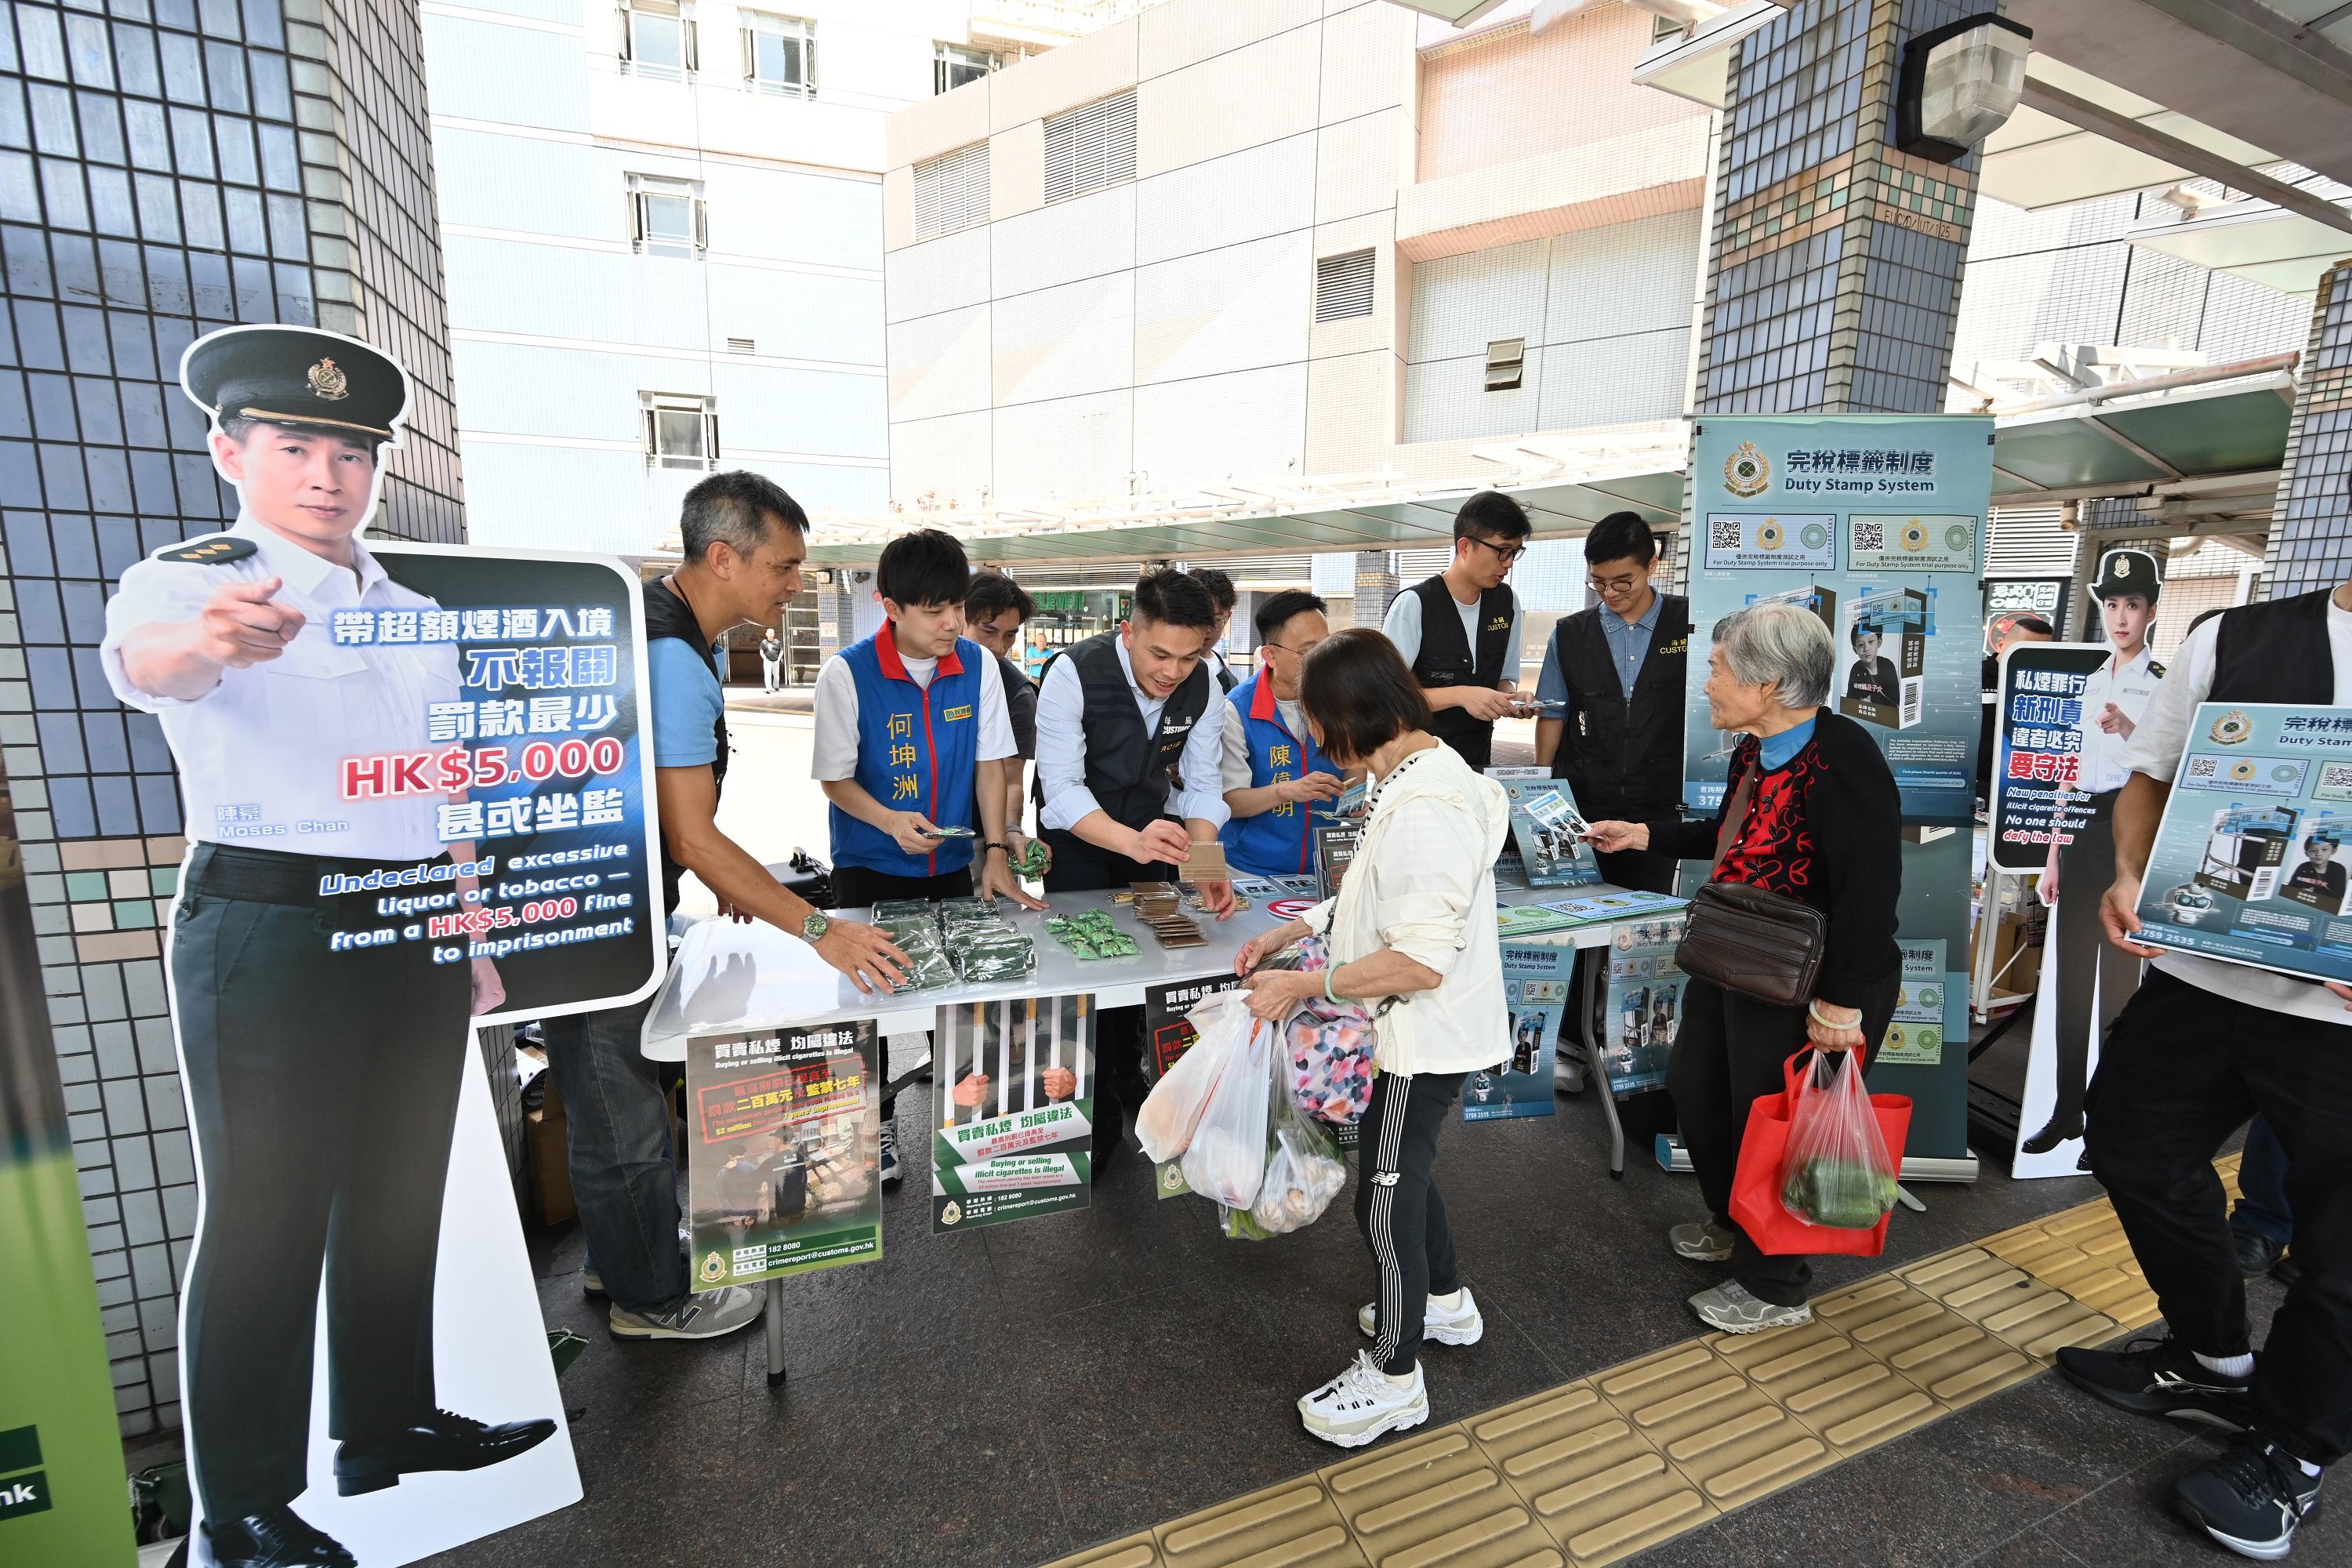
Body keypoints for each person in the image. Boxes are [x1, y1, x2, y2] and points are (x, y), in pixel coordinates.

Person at [102, 326, 554, 1568]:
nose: (326, 475)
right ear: (229, 453)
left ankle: (387, 1423)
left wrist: (466, 925)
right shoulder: (188, 583)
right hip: (272, 922)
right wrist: (215, 640)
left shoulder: (414, 612)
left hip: (410, 920)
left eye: (351, 452)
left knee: (400, 1186)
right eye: (295, 446)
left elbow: (447, 782)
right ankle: (242, 1507)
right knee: (265, 1213)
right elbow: (151, 666)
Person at [543, 471, 908, 1341]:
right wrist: (819, 929)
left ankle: (621, 1257)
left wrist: (714, 871)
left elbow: (677, 816)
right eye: (783, 566)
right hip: (593, 913)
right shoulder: (671, 653)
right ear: (721, 557)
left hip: (614, 897)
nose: (796, 585)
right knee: (620, 1111)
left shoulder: (675, 627)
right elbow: (693, 833)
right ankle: (649, 1300)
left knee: (616, 1099)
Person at [2063, 572, 2352, 1560]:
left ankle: (2294, 1450)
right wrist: (2133, 871)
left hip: (2339, 1017)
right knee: (2132, 1143)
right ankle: (2211, 1353)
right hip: (2202, 972)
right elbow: (2152, 774)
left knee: (2342, 1244)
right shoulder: (2235, 638)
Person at [1585, 599, 1903, 1333]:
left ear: (1771, 684)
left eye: (1720, 670)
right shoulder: (1756, 749)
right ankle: (1737, 1221)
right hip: (1737, 957)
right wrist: (1643, 835)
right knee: (1701, 1094)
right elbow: (1733, 833)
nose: (1708, 684)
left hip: (1812, 980)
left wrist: (1842, 1003)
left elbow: (1870, 891)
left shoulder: (1844, 759)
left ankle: (1775, 1286)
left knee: (1777, 1124)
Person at [1234, 629, 1510, 1447]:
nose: (1317, 737)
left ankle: (1394, 1377)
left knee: (1383, 1199)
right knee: (1408, 1178)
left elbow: (1419, 960)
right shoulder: (1418, 771)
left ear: (1349, 714)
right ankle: (1444, 1303)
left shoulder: (1425, 806)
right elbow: (1377, 894)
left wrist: (1302, 984)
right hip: (1424, 1029)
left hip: (1418, 1037)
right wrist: (1296, 930)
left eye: (1318, 721)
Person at [812, 528, 1040, 1184]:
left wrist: (994, 849)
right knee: (874, 1005)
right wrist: (889, 821)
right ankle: (875, 1128)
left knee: (959, 996)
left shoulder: (978, 667)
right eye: (934, 611)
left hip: (950, 865)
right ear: (890, 607)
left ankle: (965, 1118)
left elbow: (992, 766)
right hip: (870, 865)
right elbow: (835, 779)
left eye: (958, 608)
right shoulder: (847, 673)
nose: (951, 624)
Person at [1035, 568, 1236, 1167]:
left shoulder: (1205, 684)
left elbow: (1203, 784)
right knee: (1085, 975)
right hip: (1079, 840)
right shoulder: (1072, 673)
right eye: (1159, 654)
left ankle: (1131, 1077)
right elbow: (1062, 790)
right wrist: (1131, 842)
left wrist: (1205, 863)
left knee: (1150, 962)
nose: (1172, 671)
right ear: (1128, 631)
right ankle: (1091, 1119)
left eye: (1189, 657)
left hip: (1154, 833)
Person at [2022, 549, 2165, 1156]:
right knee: (2072, 978)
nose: (2121, 616)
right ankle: (2066, 1112)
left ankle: (2106, 1120)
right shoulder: (2089, 681)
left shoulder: (2162, 685)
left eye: (2132, 604)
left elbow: (2167, 770)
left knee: (2120, 987)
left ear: (2151, 611)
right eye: (2112, 604)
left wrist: (2129, 727)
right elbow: (2069, 772)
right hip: (2081, 823)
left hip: (2131, 831)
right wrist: (2053, 855)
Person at [1533, 511, 1689, 895]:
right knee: (1569, 905)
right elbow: (1553, 713)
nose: (1610, 592)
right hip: (1584, 804)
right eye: (1599, 582)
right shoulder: (1570, 633)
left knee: (1646, 910)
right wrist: (1540, 784)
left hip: (1658, 808)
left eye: (1622, 581)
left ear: (1652, 565)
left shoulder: (1688, 623)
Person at [1382, 490, 1530, 769]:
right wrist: (1462, 695)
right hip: (1419, 764)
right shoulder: (1415, 604)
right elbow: (1387, 697)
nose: (1509, 562)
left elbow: (1502, 681)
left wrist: (1512, 699)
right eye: (1502, 550)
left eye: (1515, 552)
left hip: (1477, 763)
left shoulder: (1507, 602)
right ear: (1465, 547)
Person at [1219, 590, 1345, 878]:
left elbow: (1356, 763)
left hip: (1322, 867)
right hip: (1251, 870)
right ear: (1270, 655)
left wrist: (1353, 798)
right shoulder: (1237, 710)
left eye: (1326, 646)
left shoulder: (1338, 698)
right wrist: (1287, 790)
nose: (1322, 659)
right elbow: (1230, 802)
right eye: (1309, 650)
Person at [964, 569, 1043, 880]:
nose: (999, 646)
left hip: (980, 842)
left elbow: (1011, 779)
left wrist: (1009, 831)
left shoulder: (1018, 694)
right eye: (988, 630)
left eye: (1010, 635)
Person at [1976, 612, 2054, 804]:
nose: (2031, 658)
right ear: (2001, 644)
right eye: (2023, 650)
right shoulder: (1973, 678)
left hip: (2022, 787)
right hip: (1975, 784)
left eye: (2041, 652)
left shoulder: (2049, 687)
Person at [1190, 567, 1240, 692]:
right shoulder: (1165, 671)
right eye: (1198, 619)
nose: (1206, 629)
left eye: (1216, 620)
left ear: (1228, 617)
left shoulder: (1231, 683)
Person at [1843, 621, 1901, 706]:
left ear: (1879, 642)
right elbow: (1850, 701)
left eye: (1871, 642)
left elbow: (1896, 701)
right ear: (1855, 650)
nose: (1866, 649)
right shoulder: (1856, 668)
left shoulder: (1887, 665)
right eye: (1861, 645)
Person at [758, 626, 783, 693]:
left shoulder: (777, 642)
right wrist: (764, 658)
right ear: (766, 634)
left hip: (776, 661)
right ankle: (769, 688)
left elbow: (781, 651)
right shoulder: (764, 642)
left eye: (772, 633)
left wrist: (779, 659)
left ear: (774, 634)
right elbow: (761, 651)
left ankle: (776, 687)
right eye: (769, 633)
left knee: (776, 675)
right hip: (767, 661)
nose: (770, 634)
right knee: (767, 675)